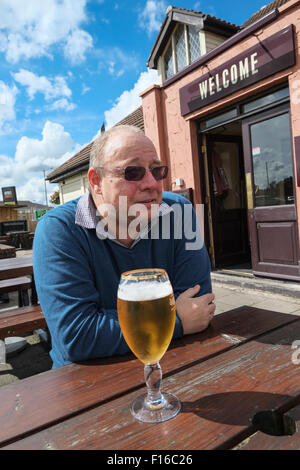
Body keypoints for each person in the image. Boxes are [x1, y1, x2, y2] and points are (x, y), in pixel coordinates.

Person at [33, 125, 215, 369]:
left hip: (174, 359)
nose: (152, 183)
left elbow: (199, 305)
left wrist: (107, 324)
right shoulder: (58, 229)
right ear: (96, 181)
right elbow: (76, 336)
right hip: (86, 380)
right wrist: (178, 320)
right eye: (133, 172)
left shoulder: (179, 211)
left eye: (157, 170)